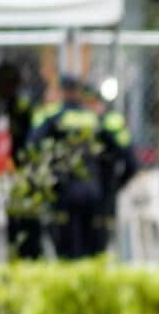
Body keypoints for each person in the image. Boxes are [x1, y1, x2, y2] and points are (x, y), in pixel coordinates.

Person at [28, 75, 121, 259]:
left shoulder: (53, 117)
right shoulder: (94, 118)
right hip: (93, 191)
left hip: (63, 191)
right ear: (79, 92)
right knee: (91, 250)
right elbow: (117, 151)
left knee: (67, 250)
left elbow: (32, 146)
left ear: (62, 92)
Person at [0, 62, 44, 260]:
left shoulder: (22, 105)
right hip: (21, 174)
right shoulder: (13, 104)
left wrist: (26, 169)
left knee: (26, 222)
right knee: (17, 219)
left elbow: (32, 141)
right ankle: (19, 257)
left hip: (28, 175)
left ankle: (27, 259)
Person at [83, 83, 141, 255]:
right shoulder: (107, 121)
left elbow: (131, 162)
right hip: (102, 188)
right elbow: (131, 162)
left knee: (94, 242)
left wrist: (116, 185)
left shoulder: (110, 122)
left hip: (100, 188)